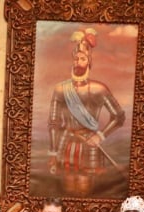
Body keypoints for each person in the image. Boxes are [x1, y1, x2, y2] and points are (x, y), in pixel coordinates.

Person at [48, 28, 125, 179]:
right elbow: (53, 123)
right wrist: (53, 152)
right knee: (66, 182)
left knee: (92, 184)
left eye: (82, 58)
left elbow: (119, 117)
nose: (78, 62)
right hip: (65, 143)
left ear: (89, 61)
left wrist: (100, 136)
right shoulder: (61, 89)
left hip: (90, 145)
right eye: (76, 59)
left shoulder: (99, 89)